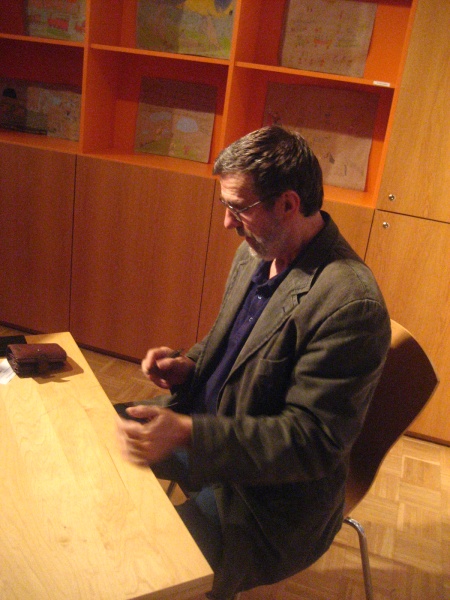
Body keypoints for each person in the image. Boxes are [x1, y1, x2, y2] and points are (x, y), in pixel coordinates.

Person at [116, 125, 391, 599]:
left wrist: (189, 432)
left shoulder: (350, 304)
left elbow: (311, 443)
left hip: (267, 503)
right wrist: (188, 365)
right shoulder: (256, 254)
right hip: (210, 430)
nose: (227, 223)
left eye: (238, 207)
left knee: (146, 570)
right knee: (89, 437)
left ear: (288, 204)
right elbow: (234, 342)